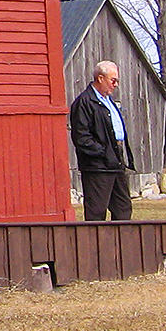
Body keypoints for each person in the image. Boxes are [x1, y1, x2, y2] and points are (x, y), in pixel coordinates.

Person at [69, 60, 136, 221]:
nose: (116, 85)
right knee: (97, 210)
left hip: (116, 161)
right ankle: (95, 245)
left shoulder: (108, 101)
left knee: (123, 208)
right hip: (97, 166)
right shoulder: (85, 102)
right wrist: (103, 153)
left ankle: (121, 243)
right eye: (113, 80)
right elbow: (81, 137)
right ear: (100, 78)